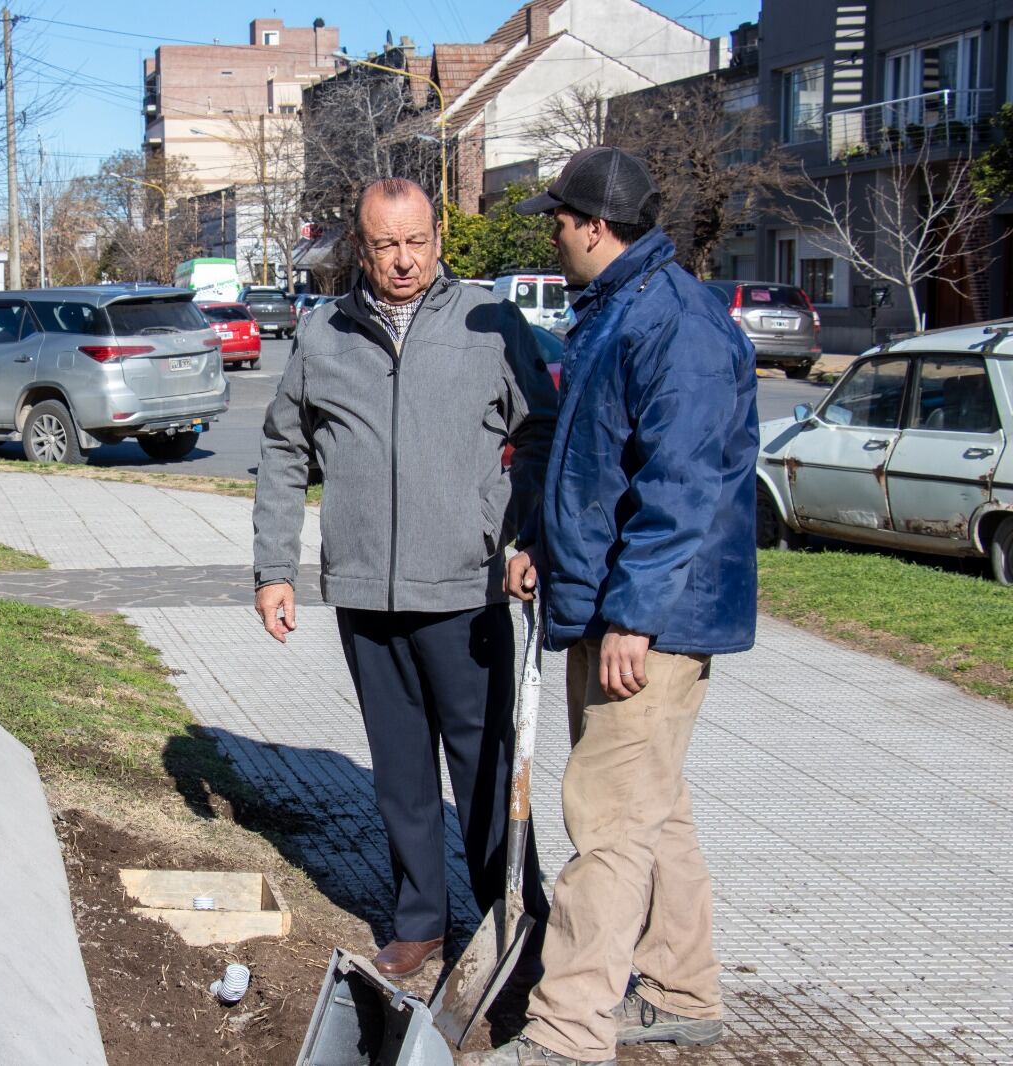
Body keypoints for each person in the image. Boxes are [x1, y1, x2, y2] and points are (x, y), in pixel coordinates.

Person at [482, 147, 759, 1065]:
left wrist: (633, 617)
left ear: (595, 228)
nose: (554, 234)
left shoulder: (673, 324)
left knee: (603, 820)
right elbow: (595, 467)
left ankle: (568, 1035)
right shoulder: (621, 309)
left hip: (651, 623)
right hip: (615, 605)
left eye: (559, 221)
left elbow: (680, 489)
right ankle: (682, 989)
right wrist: (543, 551)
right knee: (652, 809)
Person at [253, 177, 559, 979]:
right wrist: (273, 568)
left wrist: (515, 527)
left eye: (416, 241)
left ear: (438, 237)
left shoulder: (488, 325)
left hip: (464, 591)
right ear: (360, 244)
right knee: (400, 775)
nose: (402, 260)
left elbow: (542, 431)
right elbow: (285, 449)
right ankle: (419, 921)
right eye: (385, 244)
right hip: (364, 595)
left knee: (485, 769)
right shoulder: (324, 335)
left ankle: (514, 928)